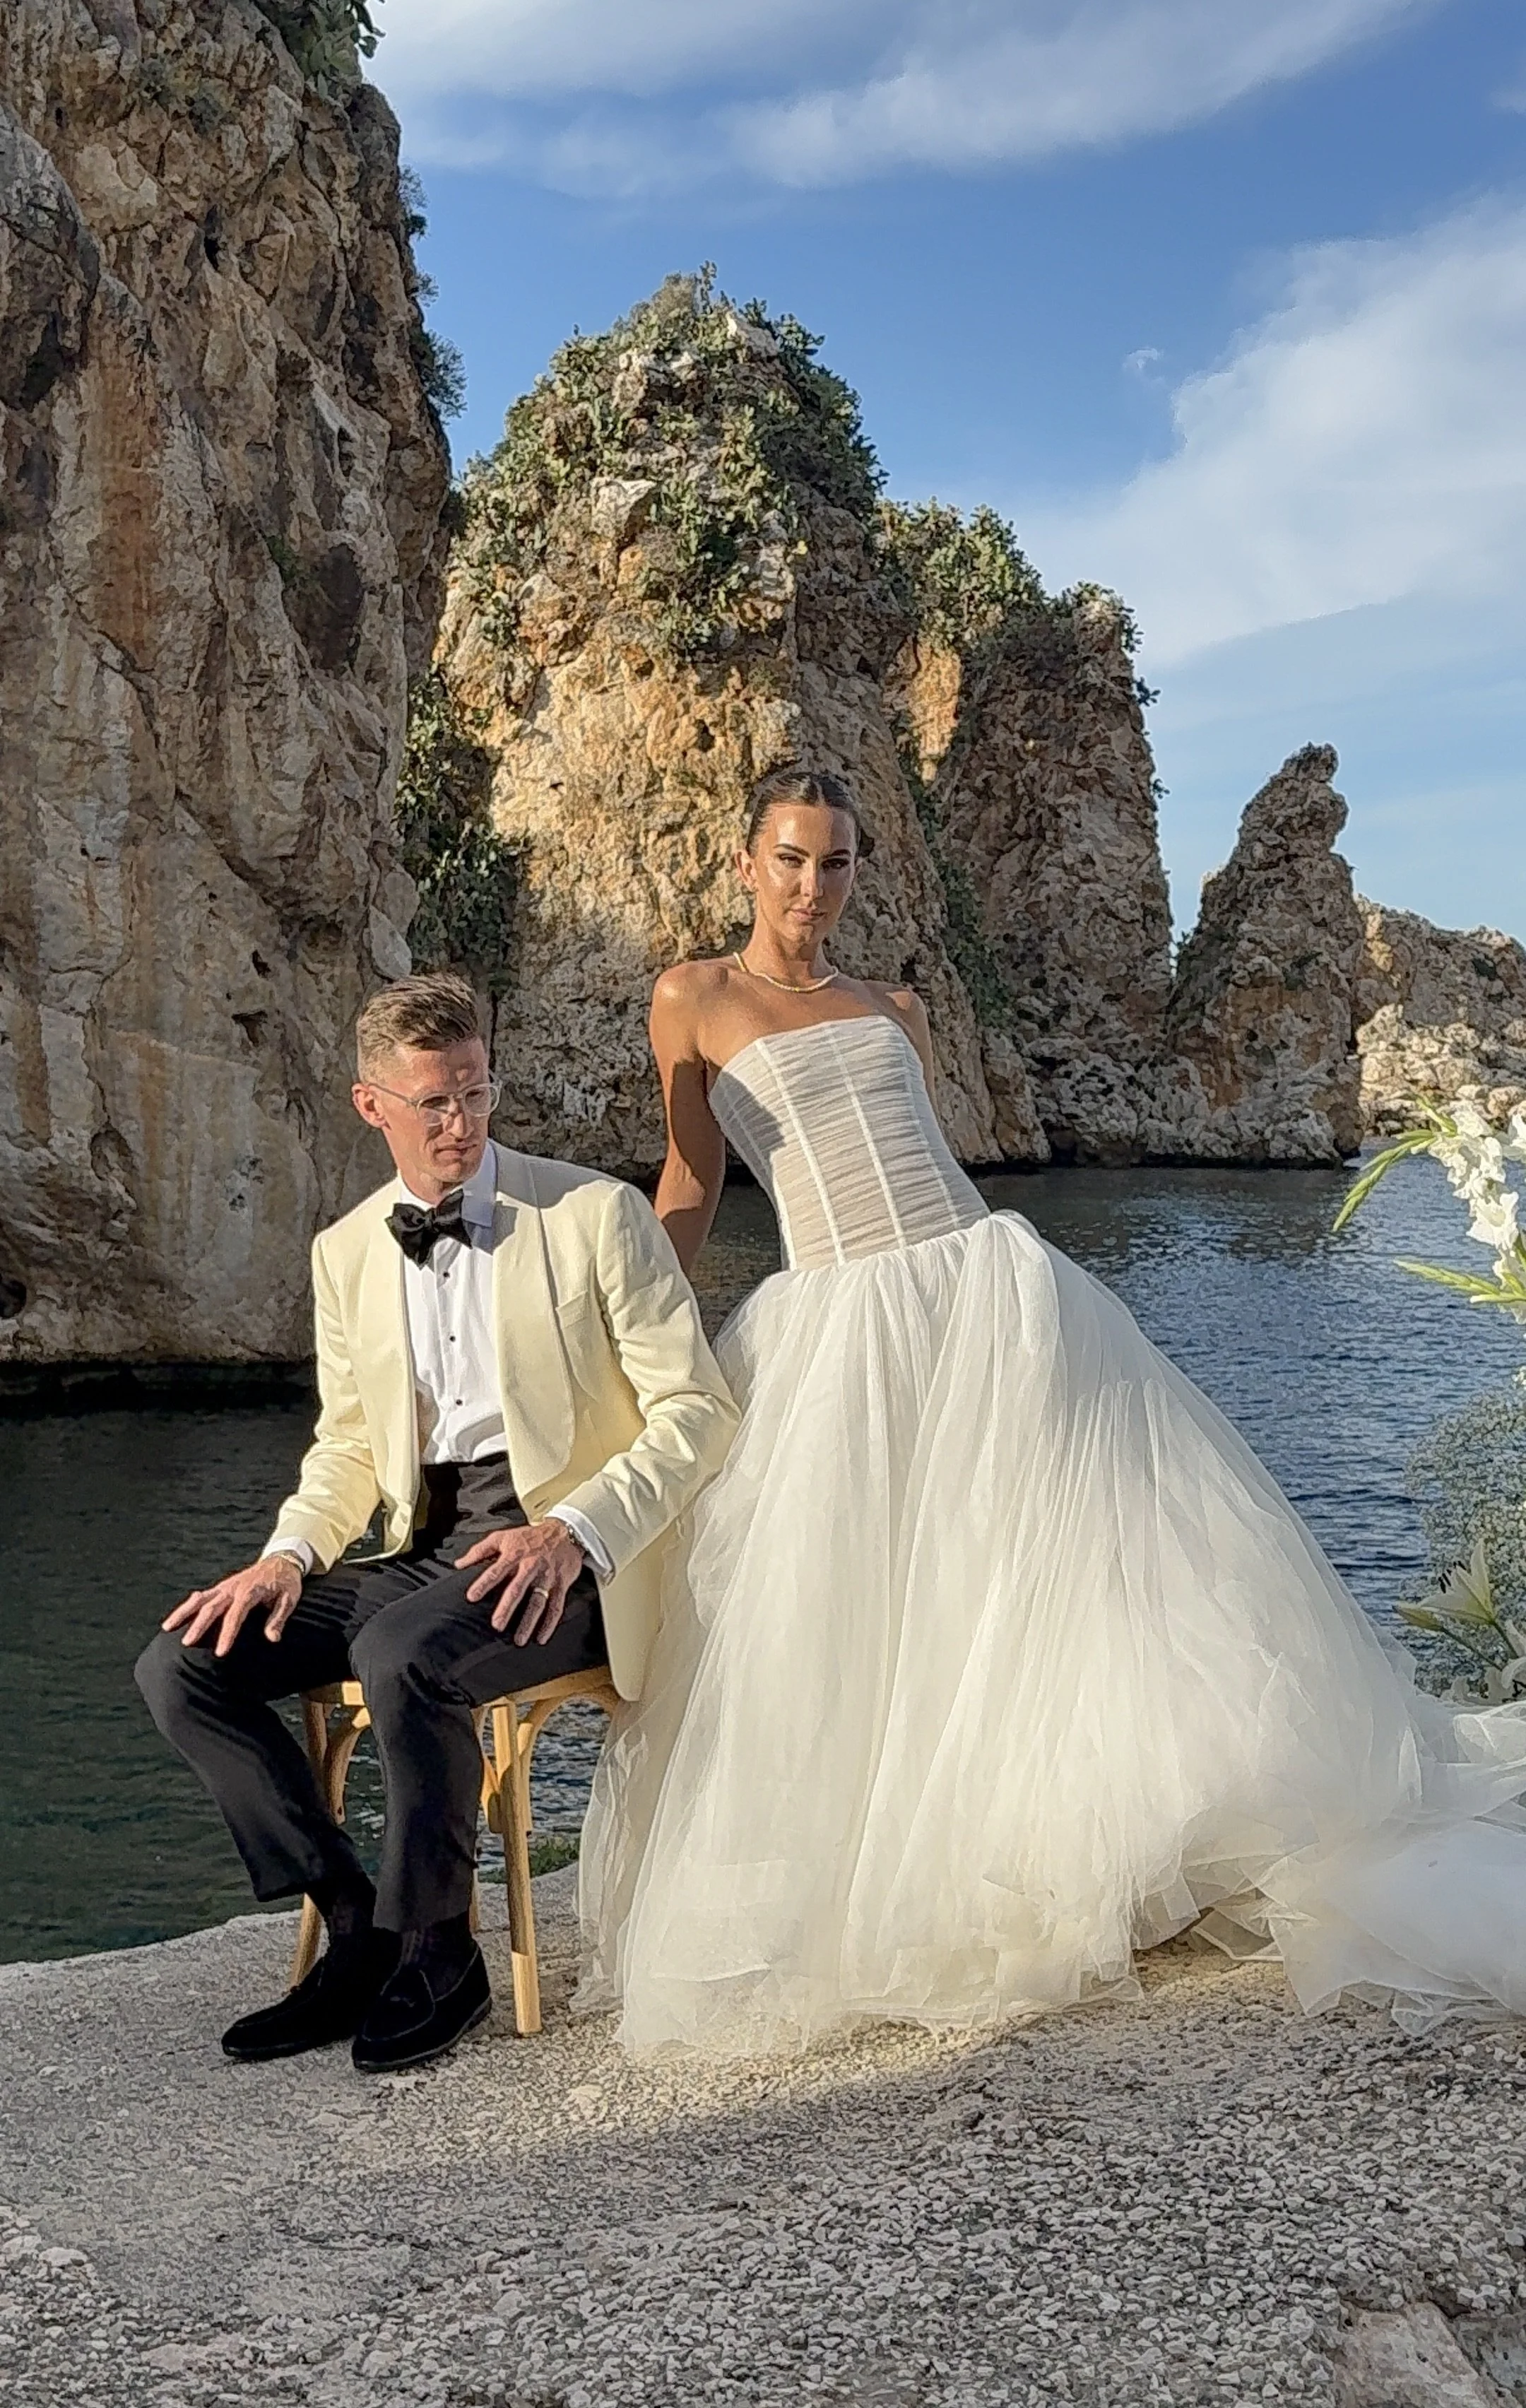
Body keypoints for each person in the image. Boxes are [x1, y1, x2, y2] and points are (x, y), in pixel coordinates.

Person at [579, 765, 1526, 2053]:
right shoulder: (693, 998)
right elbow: (691, 1178)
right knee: (870, 1601)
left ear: (859, 871)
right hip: (836, 1321)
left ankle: (1100, 1844)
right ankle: (929, 1859)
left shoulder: (895, 1008)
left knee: (1046, 1572)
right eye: (792, 859)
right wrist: (640, 1341)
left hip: (986, 1293)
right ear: (747, 862)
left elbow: (927, 1168)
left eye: (837, 862)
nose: (813, 886)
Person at [137, 972, 738, 2073]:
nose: (461, 1122)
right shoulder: (347, 1249)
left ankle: (442, 1952)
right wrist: (287, 1556)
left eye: (475, 1092)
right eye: (433, 1102)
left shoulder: (595, 1214)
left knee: (400, 1654)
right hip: (423, 1550)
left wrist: (574, 1533)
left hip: (575, 1563)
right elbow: (354, 1448)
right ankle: (357, 1924)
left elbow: (700, 1413)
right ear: (374, 1107)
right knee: (185, 1664)